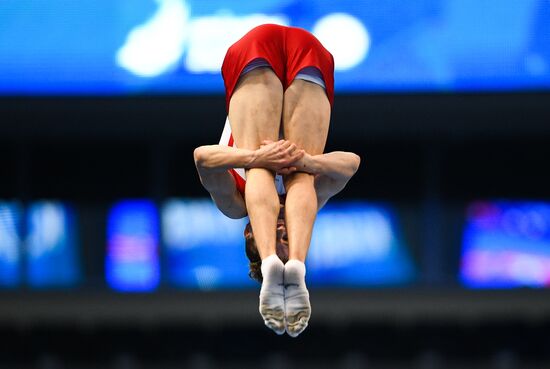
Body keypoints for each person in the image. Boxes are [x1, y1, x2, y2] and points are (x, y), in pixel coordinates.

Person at [193, 24, 360, 337]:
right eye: (287, 239)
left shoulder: (235, 203)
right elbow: (351, 164)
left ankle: (273, 263)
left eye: (274, 236)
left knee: (262, 173)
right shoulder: (313, 198)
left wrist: (255, 158)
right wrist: (307, 162)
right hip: (308, 50)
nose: (282, 229)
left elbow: (202, 158)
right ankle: (297, 265)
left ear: (248, 231)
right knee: (302, 179)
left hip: (257, 52)